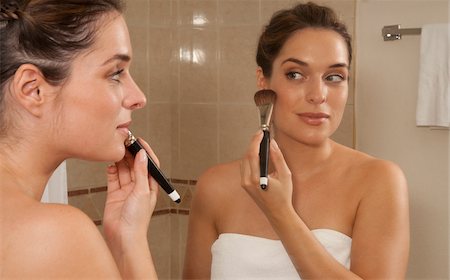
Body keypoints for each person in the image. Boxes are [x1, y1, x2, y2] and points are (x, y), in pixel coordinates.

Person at [183, 2, 410, 279]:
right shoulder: (215, 187)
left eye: (334, 76)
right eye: (295, 74)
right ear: (263, 81)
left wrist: (281, 213)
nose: (318, 94)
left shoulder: (377, 181)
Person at [0, 0, 159, 278]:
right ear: (33, 90)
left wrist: (124, 235)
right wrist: (132, 244)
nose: (138, 98)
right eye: (115, 73)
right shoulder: (53, 236)